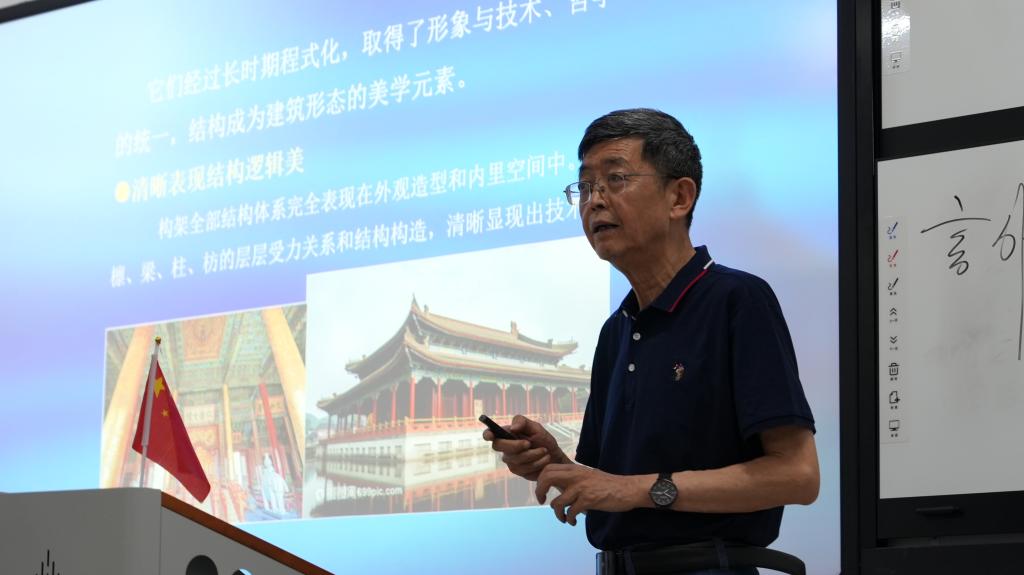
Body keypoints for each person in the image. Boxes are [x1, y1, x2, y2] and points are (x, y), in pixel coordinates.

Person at [484, 109, 819, 575]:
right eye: (585, 186)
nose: (594, 201)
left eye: (615, 179)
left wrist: (639, 489)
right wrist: (554, 463)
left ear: (679, 197)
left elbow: (797, 475)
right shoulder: (615, 331)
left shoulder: (736, 300)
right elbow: (613, 489)